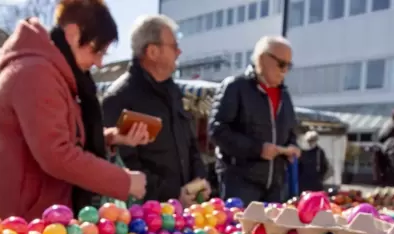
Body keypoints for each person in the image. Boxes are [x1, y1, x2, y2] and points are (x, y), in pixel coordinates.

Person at [0, 0, 149, 220]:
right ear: (74, 34)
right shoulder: (36, 73)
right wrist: (125, 182)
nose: (99, 63)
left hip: (36, 221)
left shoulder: (53, 73)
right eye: (97, 51)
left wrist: (111, 138)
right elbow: (56, 154)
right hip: (19, 226)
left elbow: (62, 138)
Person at [101, 14, 209, 205]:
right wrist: (173, 194)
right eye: (174, 46)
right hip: (146, 217)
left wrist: (200, 180)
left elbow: (191, 144)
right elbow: (126, 165)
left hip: (186, 208)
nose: (179, 52)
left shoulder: (173, 91)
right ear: (152, 51)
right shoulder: (119, 97)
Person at [209, 35, 300, 204]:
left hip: (275, 186)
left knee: (273, 231)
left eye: (289, 66)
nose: (285, 71)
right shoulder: (235, 86)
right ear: (262, 59)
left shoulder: (285, 96)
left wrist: (293, 146)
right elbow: (217, 131)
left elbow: (291, 132)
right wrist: (258, 149)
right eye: (281, 64)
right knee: (240, 229)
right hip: (240, 182)